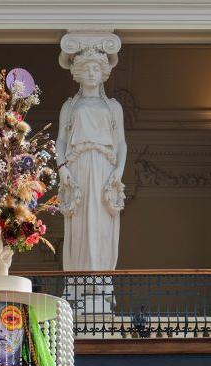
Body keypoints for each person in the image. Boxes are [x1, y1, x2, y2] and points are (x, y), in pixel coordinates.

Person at [57, 46, 126, 273]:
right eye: (87, 69)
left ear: (103, 72)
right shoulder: (69, 106)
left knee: (102, 222)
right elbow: (61, 141)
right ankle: (78, 281)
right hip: (77, 167)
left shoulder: (113, 107)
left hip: (105, 167)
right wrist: (62, 168)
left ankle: (101, 281)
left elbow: (121, 143)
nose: (91, 73)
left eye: (96, 68)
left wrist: (119, 170)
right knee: (79, 223)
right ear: (78, 72)